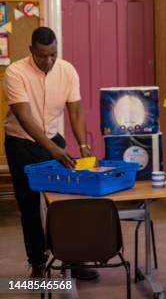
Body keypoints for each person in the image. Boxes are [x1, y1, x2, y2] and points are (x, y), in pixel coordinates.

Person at [4, 27, 96, 279]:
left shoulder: (67, 71)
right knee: (30, 207)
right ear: (31, 50)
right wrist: (54, 150)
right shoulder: (15, 72)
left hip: (54, 140)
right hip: (20, 144)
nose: (49, 61)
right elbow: (24, 117)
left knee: (64, 204)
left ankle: (73, 260)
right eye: (42, 55)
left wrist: (84, 146)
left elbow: (75, 112)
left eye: (53, 55)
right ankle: (37, 262)